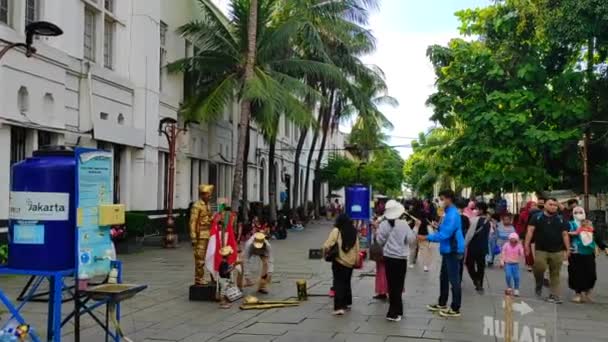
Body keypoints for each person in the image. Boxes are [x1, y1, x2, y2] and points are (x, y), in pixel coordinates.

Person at [421, 189, 464, 318]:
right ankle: (442, 303)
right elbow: (445, 230)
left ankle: (455, 308)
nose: (440, 202)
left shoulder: (452, 214)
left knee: (454, 279)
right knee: (444, 277)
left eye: (442, 199)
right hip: (448, 249)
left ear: (449, 199)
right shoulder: (448, 213)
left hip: (453, 250)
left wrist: (427, 237)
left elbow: (445, 234)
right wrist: (438, 227)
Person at [376, 200, 418, 322]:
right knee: (398, 286)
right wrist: (416, 227)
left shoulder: (383, 225)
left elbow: (379, 241)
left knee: (391, 285)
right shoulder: (404, 224)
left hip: (388, 258)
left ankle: (395, 310)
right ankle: (395, 312)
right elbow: (411, 241)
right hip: (400, 259)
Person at [524, 198, 571, 303]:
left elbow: (565, 234)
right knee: (539, 268)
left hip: (557, 251)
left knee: (555, 273)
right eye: (550, 204)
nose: (553, 207)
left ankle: (554, 295)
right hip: (541, 250)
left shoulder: (561, 219)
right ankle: (539, 282)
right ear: (544, 205)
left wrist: (568, 249)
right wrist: (526, 245)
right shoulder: (537, 217)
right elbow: (530, 231)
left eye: (555, 205)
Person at [323, 214, 359, 316]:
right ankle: (347, 302)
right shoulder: (353, 231)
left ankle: (339, 307)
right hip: (350, 261)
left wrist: (325, 252)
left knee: (338, 282)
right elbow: (357, 247)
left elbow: (328, 244)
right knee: (347, 281)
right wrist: (356, 260)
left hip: (339, 260)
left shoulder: (336, 230)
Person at [567, 207, 597, 303]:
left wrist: (601, 247)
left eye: (580, 212)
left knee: (591, 273)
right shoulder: (570, 224)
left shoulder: (589, 223)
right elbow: (566, 235)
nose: (578, 214)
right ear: (572, 213)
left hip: (589, 251)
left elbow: (596, 236)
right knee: (576, 273)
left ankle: (588, 292)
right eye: (576, 212)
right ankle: (578, 293)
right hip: (576, 252)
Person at [190, 184, 214, 285]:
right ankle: (198, 278)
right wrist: (193, 236)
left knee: (210, 256)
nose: (210, 196)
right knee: (200, 258)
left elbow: (208, 218)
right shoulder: (197, 206)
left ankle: (211, 276)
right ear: (203, 194)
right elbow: (192, 222)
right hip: (200, 235)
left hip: (208, 233)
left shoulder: (207, 204)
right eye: (208, 194)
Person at [465, 202, 491, 293]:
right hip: (483, 247)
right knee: (481, 266)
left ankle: (476, 280)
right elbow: (491, 234)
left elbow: (470, 233)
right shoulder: (488, 222)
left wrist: (465, 243)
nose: (475, 210)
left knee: (469, 264)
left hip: (473, 246)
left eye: (477, 209)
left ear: (481, 210)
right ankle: (480, 284)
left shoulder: (475, 220)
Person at [371, 216, 388, 300]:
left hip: (382, 254)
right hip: (389, 254)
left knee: (382, 272)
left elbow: (378, 240)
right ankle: (384, 291)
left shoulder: (382, 230)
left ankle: (382, 291)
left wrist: (376, 229)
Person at [517, 201, 536, 271]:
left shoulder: (537, 214)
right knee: (527, 249)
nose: (533, 207)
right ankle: (529, 264)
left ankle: (535, 263)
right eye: (532, 206)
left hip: (536, 234)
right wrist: (520, 234)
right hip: (525, 234)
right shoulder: (523, 214)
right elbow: (520, 224)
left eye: (535, 205)